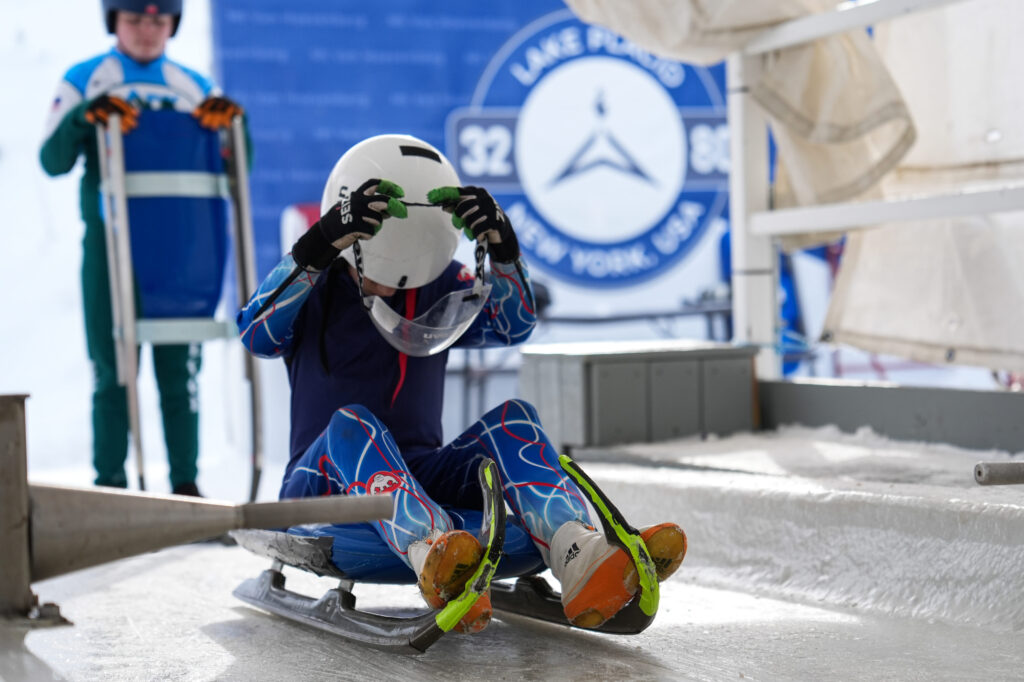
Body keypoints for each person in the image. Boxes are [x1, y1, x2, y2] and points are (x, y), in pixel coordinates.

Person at [237, 134, 687, 633]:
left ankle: (578, 552)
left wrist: (502, 248)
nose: (393, 288)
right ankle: (434, 554)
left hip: (419, 473)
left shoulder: (442, 284)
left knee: (513, 418)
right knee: (354, 423)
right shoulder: (315, 284)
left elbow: (512, 325)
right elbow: (256, 332)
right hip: (319, 484)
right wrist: (318, 244)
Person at [39, 0, 245, 496]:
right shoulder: (87, 78)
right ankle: (109, 489)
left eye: (158, 20)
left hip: (179, 252)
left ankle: (185, 490)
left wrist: (235, 127)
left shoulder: (193, 87)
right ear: (114, 20)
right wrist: (85, 118)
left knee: (180, 377)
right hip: (113, 250)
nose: (147, 31)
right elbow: (52, 159)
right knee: (113, 370)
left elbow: (240, 166)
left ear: (173, 23)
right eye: (135, 18)